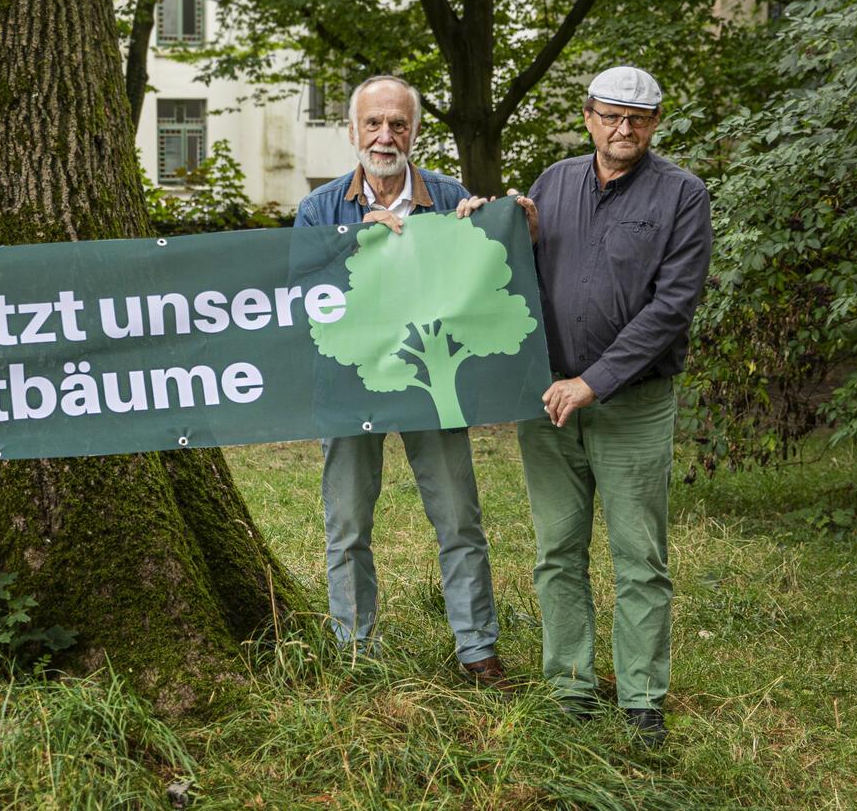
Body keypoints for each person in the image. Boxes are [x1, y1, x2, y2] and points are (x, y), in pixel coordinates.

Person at [459, 65, 712, 747]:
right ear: (587, 115)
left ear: (655, 124)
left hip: (631, 401)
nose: (622, 129)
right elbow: (519, 274)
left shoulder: (683, 197)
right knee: (558, 548)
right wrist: (506, 231)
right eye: (609, 115)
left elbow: (671, 308)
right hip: (546, 398)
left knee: (639, 555)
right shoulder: (554, 181)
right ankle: (570, 688)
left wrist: (593, 381)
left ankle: (642, 701)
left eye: (636, 119)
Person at [295, 75, 508, 687]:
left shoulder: (447, 196)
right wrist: (356, 249)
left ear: (415, 131)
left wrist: (483, 229)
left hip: (430, 382)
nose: (385, 136)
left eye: (398, 124)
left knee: (458, 519)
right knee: (348, 523)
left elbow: (485, 278)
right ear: (353, 130)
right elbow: (298, 297)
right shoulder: (319, 208)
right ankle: (355, 649)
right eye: (373, 123)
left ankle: (477, 650)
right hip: (349, 384)